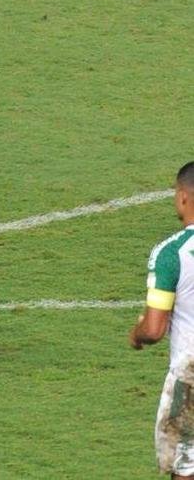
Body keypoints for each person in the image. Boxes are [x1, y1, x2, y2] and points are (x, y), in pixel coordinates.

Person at [130, 161, 194, 478]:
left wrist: (136, 334)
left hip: (191, 376)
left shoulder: (171, 253)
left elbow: (154, 328)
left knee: (186, 468)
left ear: (183, 197)